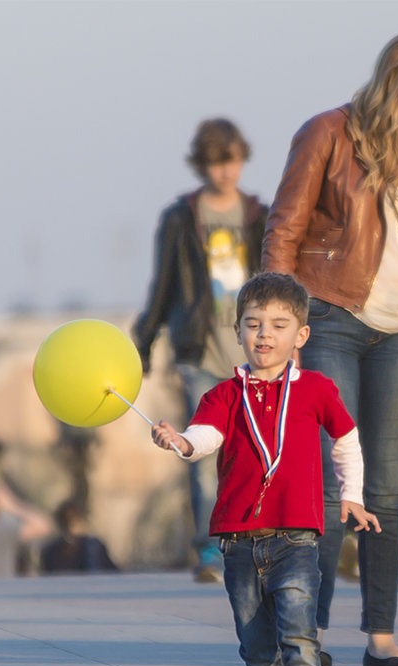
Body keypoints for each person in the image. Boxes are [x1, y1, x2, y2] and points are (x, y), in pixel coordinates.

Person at [262, 31, 398, 666]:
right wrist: (277, 318)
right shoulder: (326, 133)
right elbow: (285, 227)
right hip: (331, 314)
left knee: (387, 490)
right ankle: (307, 631)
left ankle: (381, 633)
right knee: (326, 483)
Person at [150, 272, 379, 666]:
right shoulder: (224, 394)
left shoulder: (316, 389)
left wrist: (353, 495)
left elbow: (347, 439)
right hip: (238, 542)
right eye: (253, 324)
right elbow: (204, 436)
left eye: (278, 324)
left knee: (298, 629)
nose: (264, 335)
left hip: (297, 536)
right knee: (256, 646)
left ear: (301, 335)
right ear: (237, 332)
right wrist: (181, 442)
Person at [132, 118, 267, 583]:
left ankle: (253, 539)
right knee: (201, 453)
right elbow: (163, 284)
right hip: (198, 351)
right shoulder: (181, 218)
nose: (224, 171)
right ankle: (210, 548)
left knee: (256, 449)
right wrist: (143, 344)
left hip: (254, 354)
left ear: (242, 160)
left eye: (230, 160)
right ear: (201, 164)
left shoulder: (257, 216)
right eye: (214, 162)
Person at [41, 500, 120, 574]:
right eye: (66, 522)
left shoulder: (94, 548)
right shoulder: (51, 552)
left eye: (74, 521)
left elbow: (113, 574)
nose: (70, 527)